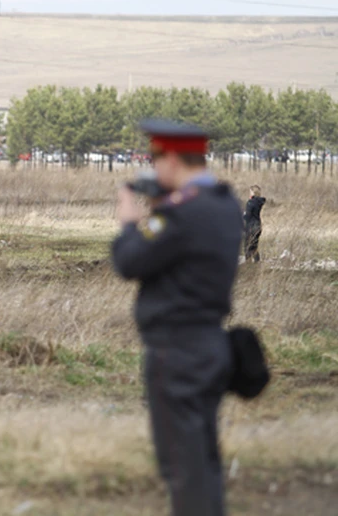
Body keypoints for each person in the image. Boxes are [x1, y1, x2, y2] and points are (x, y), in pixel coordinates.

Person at [111, 119, 241, 516]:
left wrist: (130, 222)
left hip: (177, 350)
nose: (152, 168)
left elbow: (128, 260)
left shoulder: (181, 214)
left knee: (182, 465)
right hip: (209, 344)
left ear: (170, 158)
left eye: (154, 157)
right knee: (203, 458)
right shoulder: (224, 202)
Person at [243, 185, 265, 263]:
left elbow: (247, 216)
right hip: (258, 226)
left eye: (250, 191)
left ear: (253, 193)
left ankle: (248, 265)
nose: (249, 193)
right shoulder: (259, 202)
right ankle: (257, 263)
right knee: (254, 247)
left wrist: (243, 215)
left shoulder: (250, 202)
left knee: (247, 247)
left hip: (251, 227)